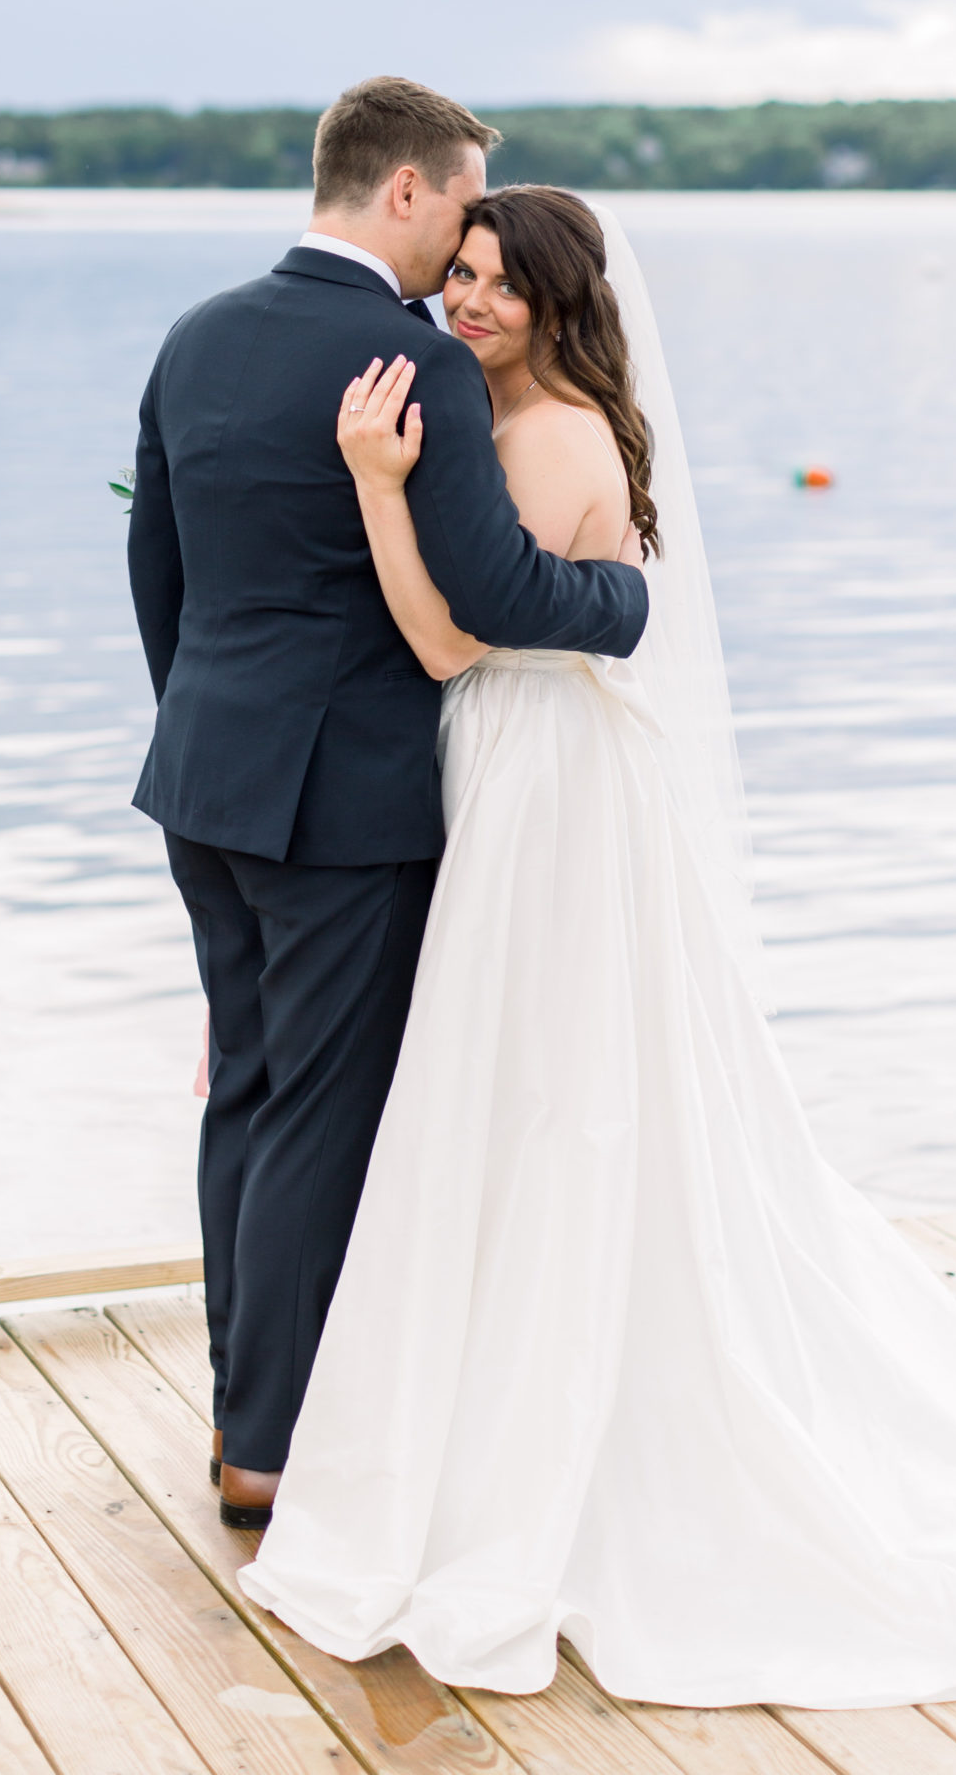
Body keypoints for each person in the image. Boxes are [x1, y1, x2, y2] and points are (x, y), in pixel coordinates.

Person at [238, 183, 956, 1708]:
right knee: (530, 1093)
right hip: (523, 771)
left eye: (501, 285)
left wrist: (375, 483)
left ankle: (542, 1440)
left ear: (563, 303)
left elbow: (448, 642)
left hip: (549, 789)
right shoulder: (525, 421)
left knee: (551, 1095)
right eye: (467, 276)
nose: (470, 304)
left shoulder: (551, 435)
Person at [126, 85, 650, 1529]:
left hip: (204, 782)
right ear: (408, 190)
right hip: (343, 805)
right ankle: (269, 1447)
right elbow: (494, 597)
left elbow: (156, 574)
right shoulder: (406, 356)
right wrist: (625, 601)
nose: (458, 270)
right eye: (461, 213)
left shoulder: (199, 335)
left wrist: (205, 727)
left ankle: (243, 1400)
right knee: (319, 1115)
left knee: (241, 1091)